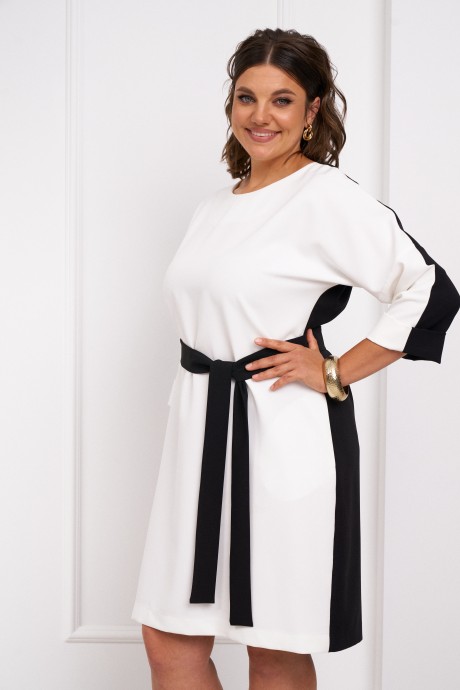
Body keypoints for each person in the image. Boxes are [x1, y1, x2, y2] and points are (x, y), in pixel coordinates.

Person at [131, 27, 460, 690]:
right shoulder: (214, 207)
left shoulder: (326, 197)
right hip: (198, 437)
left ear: (312, 110)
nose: (261, 115)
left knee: (274, 647)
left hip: (281, 437)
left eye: (282, 100)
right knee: (169, 638)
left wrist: (333, 371)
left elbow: (429, 291)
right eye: (246, 97)